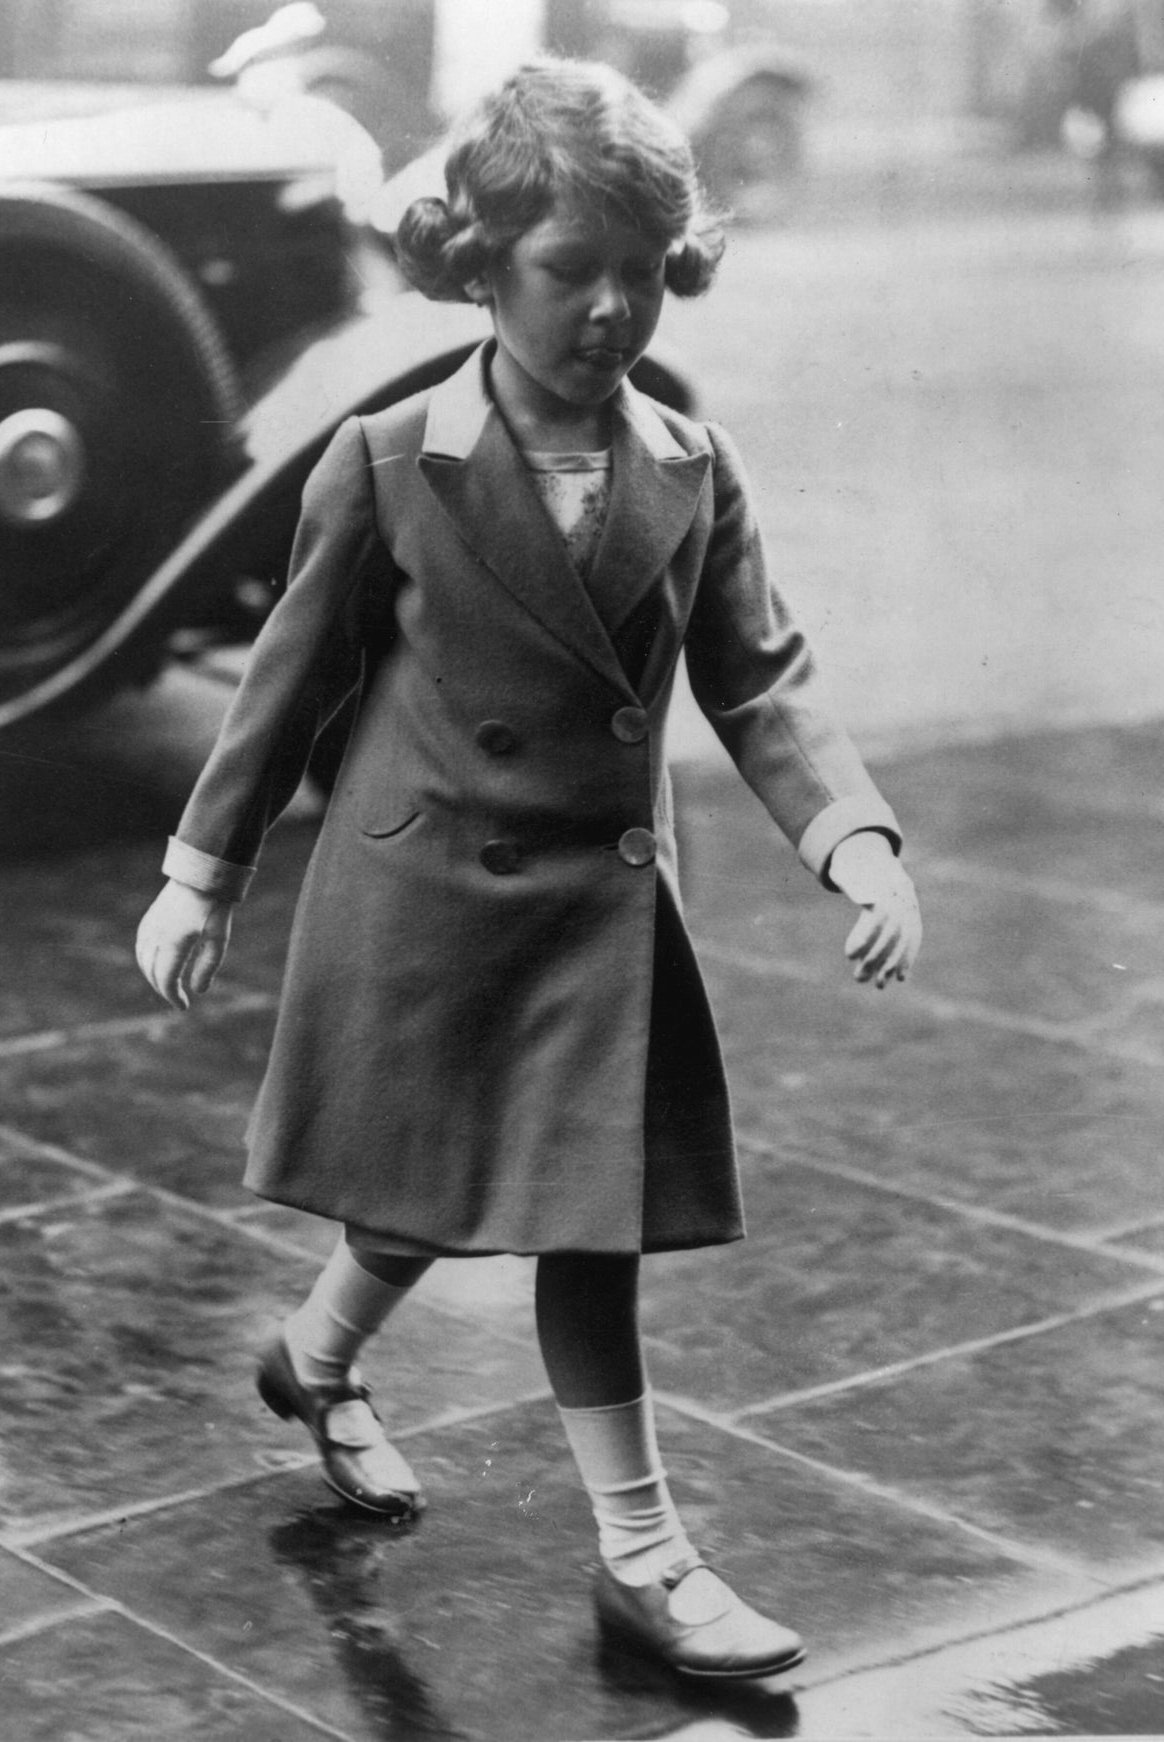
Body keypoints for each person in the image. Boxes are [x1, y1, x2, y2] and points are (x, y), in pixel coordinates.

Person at [136, 57, 921, 1682]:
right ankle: (317, 1353)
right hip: (424, 894)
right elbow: (285, 681)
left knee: (583, 1218)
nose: (615, 310)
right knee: (427, 1187)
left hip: (597, 909)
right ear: (481, 266)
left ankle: (643, 1556)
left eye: (645, 271)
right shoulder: (385, 459)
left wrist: (850, 835)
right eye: (576, 272)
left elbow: (761, 679)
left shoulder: (691, 468)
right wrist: (200, 871)